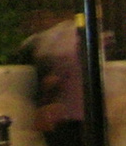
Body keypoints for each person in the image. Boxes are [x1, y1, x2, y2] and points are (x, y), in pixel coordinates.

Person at [27, 17, 85, 146]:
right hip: (79, 112)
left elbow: (52, 81)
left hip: (65, 114)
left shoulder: (56, 39)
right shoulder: (75, 37)